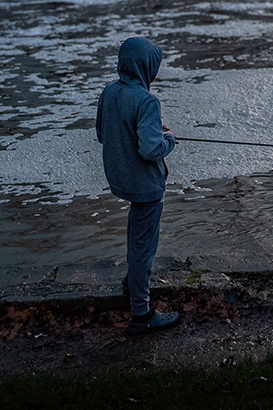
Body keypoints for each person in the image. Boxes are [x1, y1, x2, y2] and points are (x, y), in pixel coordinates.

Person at [96, 36, 180, 334]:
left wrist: (148, 131)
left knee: (136, 236)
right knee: (144, 246)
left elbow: (103, 134)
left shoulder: (108, 93)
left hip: (121, 179)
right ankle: (141, 314)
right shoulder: (147, 101)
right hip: (145, 185)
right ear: (146, 68)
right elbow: (150, 150)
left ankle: (132, 283)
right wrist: (168, 139)